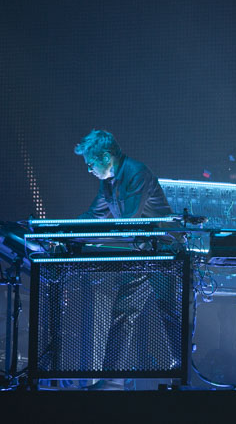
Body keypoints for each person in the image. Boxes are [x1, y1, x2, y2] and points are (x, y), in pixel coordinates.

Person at [75, 130, 181, 386]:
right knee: (124, 313)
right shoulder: (108, 182)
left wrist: (89, 237)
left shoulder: (136, 173)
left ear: (106, 156)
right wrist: (65, 231)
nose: (89, 169)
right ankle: (112, 379)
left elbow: (129, 222)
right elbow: (95, 215)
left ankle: (182, 371)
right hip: (141, 255)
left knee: (169, 313)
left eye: (91, 164)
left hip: (162, 255)